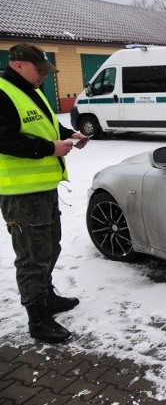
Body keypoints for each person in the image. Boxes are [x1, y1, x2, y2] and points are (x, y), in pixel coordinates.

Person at [0, 43, 90, 343]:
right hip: (21, 194)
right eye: (40, 70)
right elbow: (6, 140)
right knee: (31, 258)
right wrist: (50, 149)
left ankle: (47, 297)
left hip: (43, 190)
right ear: (19, 65)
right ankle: (37, 320)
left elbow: (44, 126)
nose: (43, 76)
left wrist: (68, 135)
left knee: (50, 248)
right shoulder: (3, 93)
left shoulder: (30, 90)